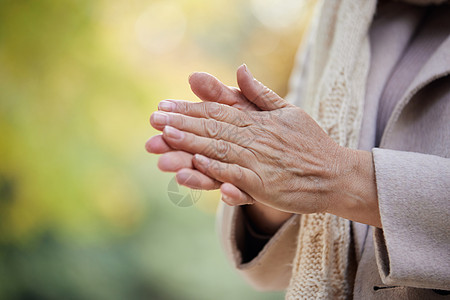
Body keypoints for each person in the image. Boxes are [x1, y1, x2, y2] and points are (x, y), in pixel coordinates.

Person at [146, 0, 450, 298]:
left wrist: (338, 177)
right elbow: (275, 271)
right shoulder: (339, 14)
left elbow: (318, 168)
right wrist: (272, 187)